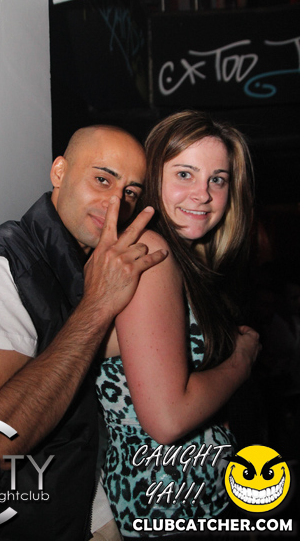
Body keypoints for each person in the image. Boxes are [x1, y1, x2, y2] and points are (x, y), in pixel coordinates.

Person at [0, 125, 167, 541]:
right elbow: (1, 437)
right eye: (102, 179)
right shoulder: (0, 263)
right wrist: (98, 305)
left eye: (130, 192)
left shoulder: (83, 266)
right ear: (59, 172)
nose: (116, 203)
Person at [95, 111, 261, 539]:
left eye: (217, 179)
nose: (203, 194)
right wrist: (240, 363)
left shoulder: (186, 259)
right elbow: (167, 418)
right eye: (185, 174)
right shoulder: (152, 252)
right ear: (153, 176)